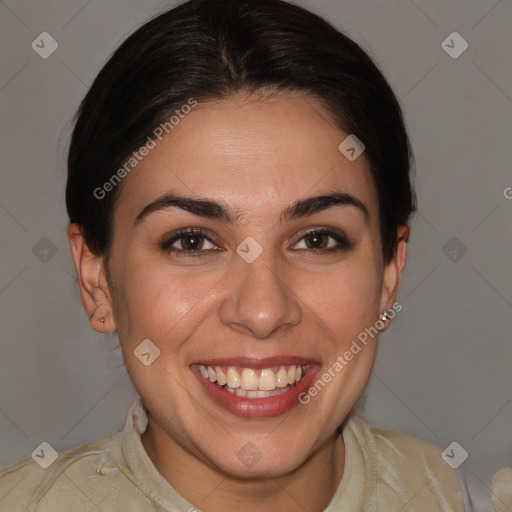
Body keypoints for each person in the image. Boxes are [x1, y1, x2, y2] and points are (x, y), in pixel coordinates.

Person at [0, 0, 466, 510]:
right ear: (97, 282)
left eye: (317, 240)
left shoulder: (459, 496)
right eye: (192, 241)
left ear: (389, 276)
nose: (262, 311)